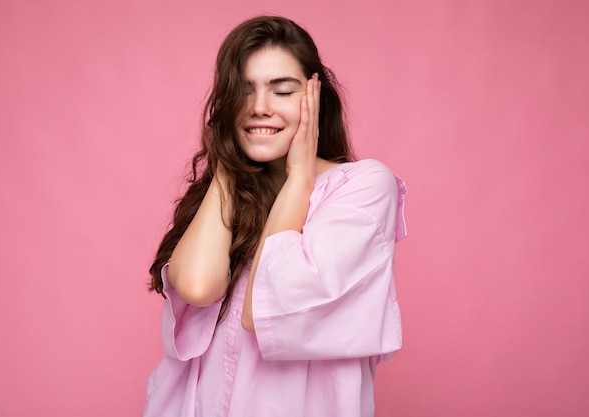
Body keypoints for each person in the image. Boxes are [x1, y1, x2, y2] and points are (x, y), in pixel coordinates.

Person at [144, 15, 407, 417]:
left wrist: (300, 177)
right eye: (243, 93)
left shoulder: (363, 187)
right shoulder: (224, 194)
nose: (260, 108)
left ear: (316, 98)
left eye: (282, 91)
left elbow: (267, 306)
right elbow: (198, 286)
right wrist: (227, 164)